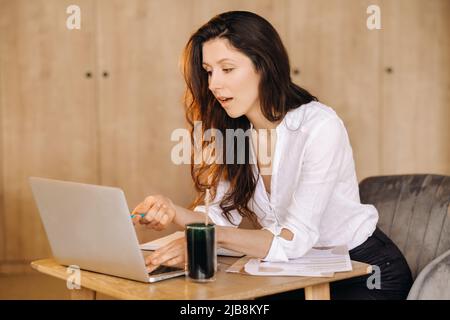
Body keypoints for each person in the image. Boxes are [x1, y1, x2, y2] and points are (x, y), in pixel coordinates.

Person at [131, 11, 413, 299]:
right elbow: (219, 220)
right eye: (208, 71)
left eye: (227, 69)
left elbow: (294, 239)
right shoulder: (233, 134)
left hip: (365, 270)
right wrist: (172, 211)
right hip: (295, 271)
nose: (214, 84)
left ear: (264, 66)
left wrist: (208, 240)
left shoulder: (319, 127)